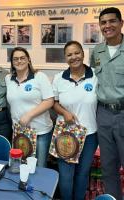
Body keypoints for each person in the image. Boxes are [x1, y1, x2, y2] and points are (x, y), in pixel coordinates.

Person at [53, 41, 98, 200]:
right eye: (69, 54)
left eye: (77, 53)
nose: (74, 57)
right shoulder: (59, 78)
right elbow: (54, 103)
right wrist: (64, 112)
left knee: (82, 173)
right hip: (66, 133)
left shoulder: (95, 75)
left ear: (83, 54)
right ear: (65, 58)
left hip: (90, 134)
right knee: (65, 175)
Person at [90, 7, 124, 200]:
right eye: (103, 22)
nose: (107, 26)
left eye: (112, 21)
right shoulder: (97, 51)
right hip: (103, 115)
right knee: (108, 167)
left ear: (121, 23)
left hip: (123, 113)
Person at [5, 47, 54, 167]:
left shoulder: (39, 76)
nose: (19, 61)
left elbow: (49, 101)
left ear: (28, 60)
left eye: (22, 58)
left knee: (39, 168)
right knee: (21, 166)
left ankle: (40, 187)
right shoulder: (8, 79)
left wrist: (29, 115)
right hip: (20, 132)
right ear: (12, 62)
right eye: (15, 59)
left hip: (40, 131)